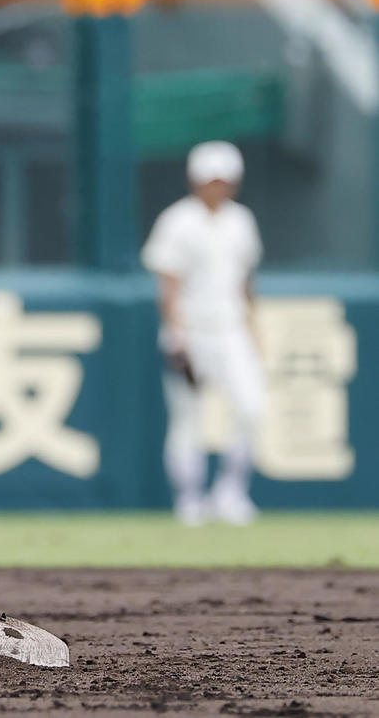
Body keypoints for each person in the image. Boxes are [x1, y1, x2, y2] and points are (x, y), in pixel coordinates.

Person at [141, 141, 265, 527]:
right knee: (187, 418)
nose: (218, 187)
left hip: (231, 329)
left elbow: (245, 282)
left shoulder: (241, 220)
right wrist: (176, 336)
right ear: (195, 180)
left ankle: (230, 493)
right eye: (211, 180)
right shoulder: (177, 221)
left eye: (224, 180)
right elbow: (169, 285)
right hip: (192, 330)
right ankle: (189, 498)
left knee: (251, 407)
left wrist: (255, 331)